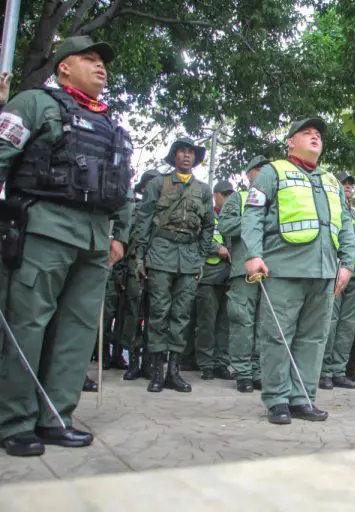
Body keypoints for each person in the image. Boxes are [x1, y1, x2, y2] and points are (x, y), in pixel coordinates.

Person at [0, 36, 133, 457]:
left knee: (76, 332)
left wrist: (120, 236)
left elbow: (123, 184)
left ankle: (56, 417)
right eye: (89, 60)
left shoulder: (110, 123)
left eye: (103, 62)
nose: (101, 67)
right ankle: (15, 421)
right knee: (28, 324)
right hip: (45, 229)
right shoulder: (34, 104)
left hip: (95, 240)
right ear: (63, 67)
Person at [241, 117, 355, 425]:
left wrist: (347, 264)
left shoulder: (331, 180)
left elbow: (346, 225)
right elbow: (253, 214)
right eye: (306, 133)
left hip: (324, 272)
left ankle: (302, 398)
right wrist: (253, 254)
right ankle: (277, 399)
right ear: (290, 141)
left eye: (318, 134)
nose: (315, 137)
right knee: (277, 336)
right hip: (284, 268)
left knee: (314, 338)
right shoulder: (272, 172)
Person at [134, 137, 215, 394]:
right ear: (174, 156)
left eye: (191, 152)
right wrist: (140, 256)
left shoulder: (203, 190)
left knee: (181, 314)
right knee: (158, 312)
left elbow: (208, 227)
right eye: (182, 151)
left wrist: (201, 256)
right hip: (160, 252)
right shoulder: (158, 183)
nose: (187, 156)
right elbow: (144, 219)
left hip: (189, 256)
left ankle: (174, 372)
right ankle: (157, 371)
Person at [219, 155, 270, 393]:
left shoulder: (276, 200)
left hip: (271, 271)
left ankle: (259, 371)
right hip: (243, 269)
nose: (262, 173)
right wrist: (253, 219)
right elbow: (226, 227)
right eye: (258, 169)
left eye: (266, 169)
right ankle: (243, 372)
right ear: (248, 174)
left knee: (264, 323)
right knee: (242, 320)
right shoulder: (238, 199)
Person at [320, 172, 355, 390]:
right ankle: (324, 371)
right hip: (335, 271)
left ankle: (339, 371)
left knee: (347, 326)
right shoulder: (329, 206)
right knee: (330, 322)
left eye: (350, 184)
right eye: (344, 183)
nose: (348, 186)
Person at [122, 170, 161, 380]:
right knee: (134, 315)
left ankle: (148, 363)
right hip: (133, 267)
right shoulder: (135, 210)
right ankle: (133, 361)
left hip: (157, 266)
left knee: (154, 316)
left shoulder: (162, 212)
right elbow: (125, 239)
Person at [194, 180, 235, 381]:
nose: (227, 199)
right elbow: (198, 236)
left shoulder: (234, 217)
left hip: (228, 277)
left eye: (230, 195)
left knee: (225, 323)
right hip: (209, 276)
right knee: (206, 323)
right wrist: (216, 248)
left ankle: (221, 363)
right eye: (224, 194)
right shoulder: (206, 214)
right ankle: (206, 364)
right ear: (215, 195)